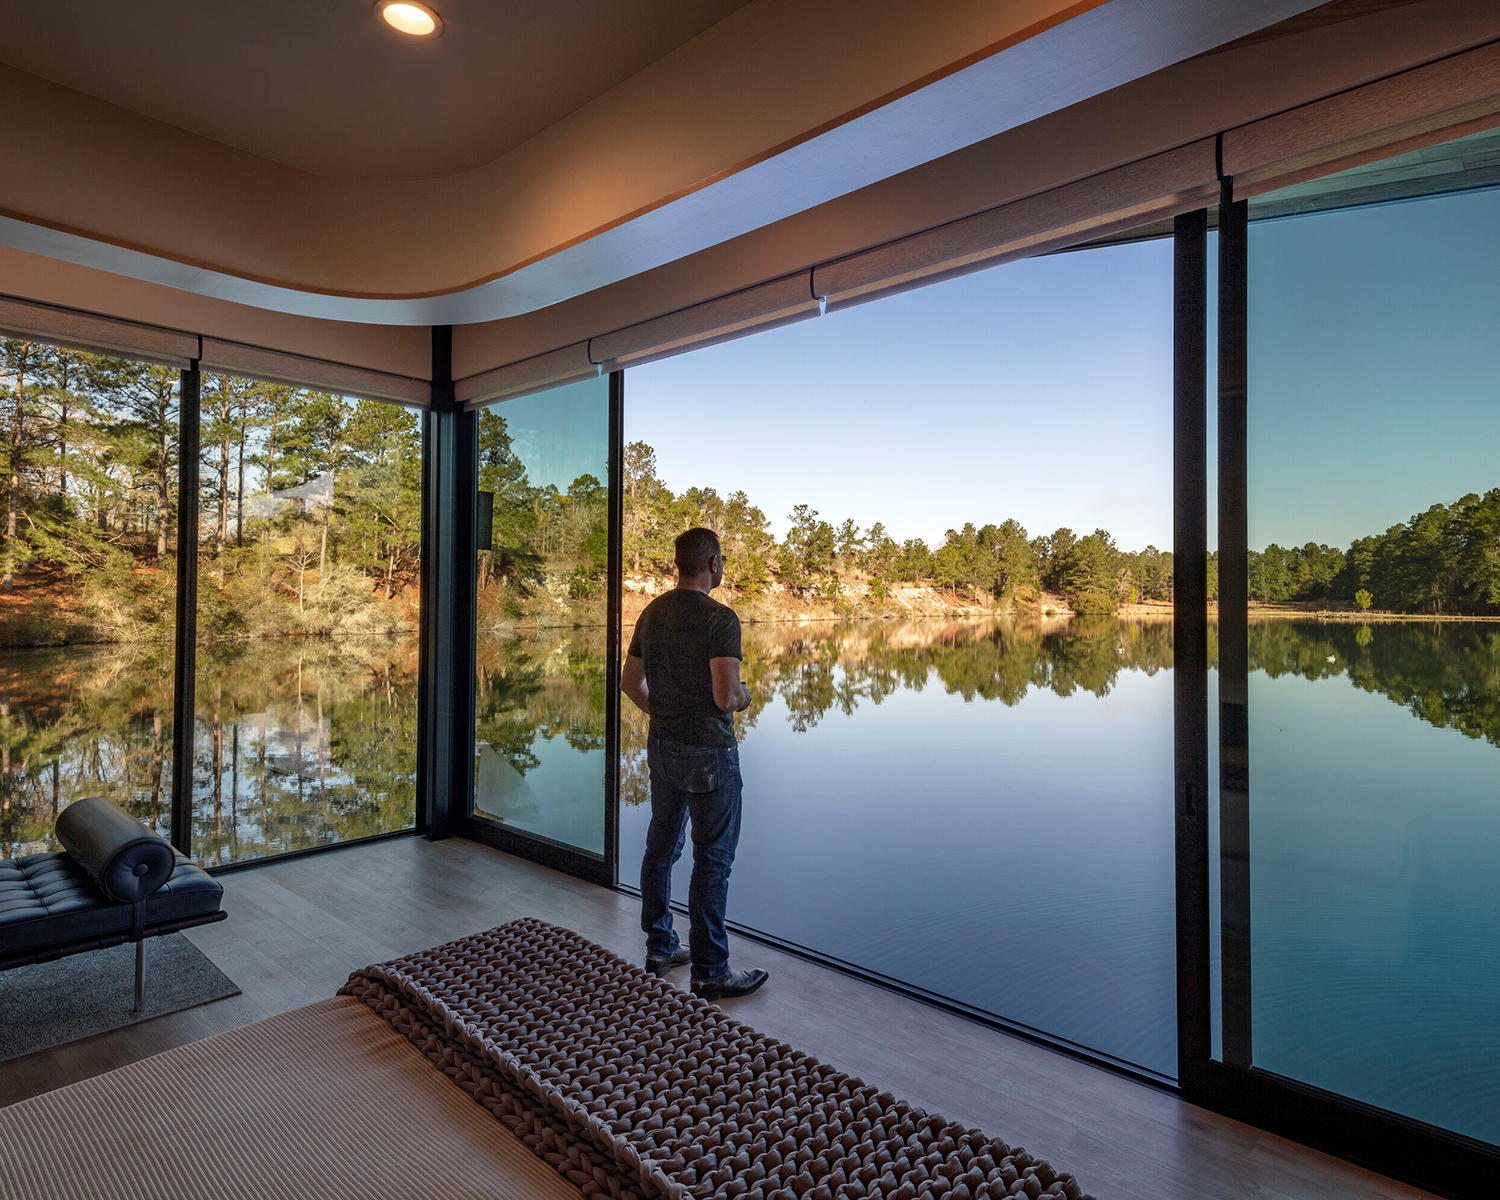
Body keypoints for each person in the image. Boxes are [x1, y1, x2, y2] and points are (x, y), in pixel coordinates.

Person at [620, 527, 769, 1000]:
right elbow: (726, 696)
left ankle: (661, 947)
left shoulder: (653, 612)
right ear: (713, 565)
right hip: (710, 753)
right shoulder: (720, 619)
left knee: (660, 849)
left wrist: (662, 713)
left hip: (663, 746)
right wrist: (745, 696)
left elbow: (630, 683)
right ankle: (711, 971)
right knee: (712, 860)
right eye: (722, 560)